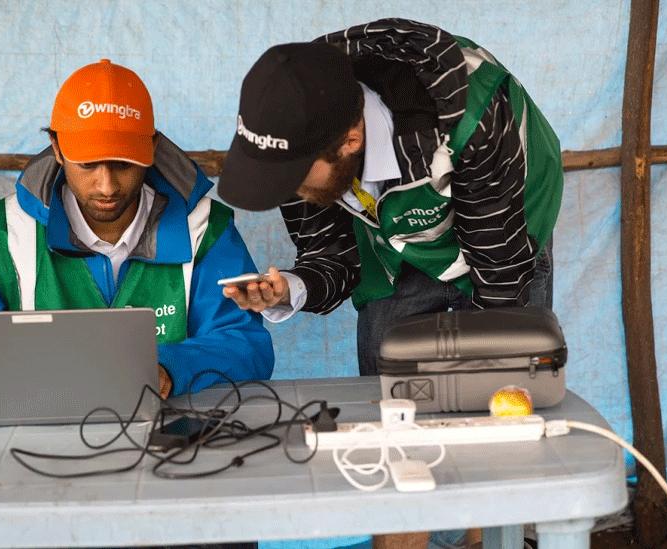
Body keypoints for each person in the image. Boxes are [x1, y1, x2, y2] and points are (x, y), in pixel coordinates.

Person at [0, 59, 274, 398]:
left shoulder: (206, 228)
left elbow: (246, 344)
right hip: (33, 441)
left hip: (174, 442)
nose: (107, 186)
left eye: (124, 165)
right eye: (88, 165)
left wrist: (169, 366)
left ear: (152, 148)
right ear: (57, 148)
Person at [217, 18, 563, 376]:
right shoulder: (296, 123)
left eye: (291, 176)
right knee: (386, 394)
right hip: (396, 241)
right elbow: (333, 253)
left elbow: (499, 268)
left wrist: (496, 371)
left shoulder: (471, 118)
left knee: (505, 382)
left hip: (505, 228)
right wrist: (289, 288)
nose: (285, 189)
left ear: (350, 141)